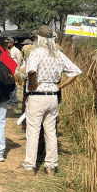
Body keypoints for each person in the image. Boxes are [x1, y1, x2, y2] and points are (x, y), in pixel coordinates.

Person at [17, 25, 81, 176]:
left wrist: (31, 87)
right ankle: (51, 166)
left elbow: (31, 72)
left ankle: (30, 166)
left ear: (39, 38)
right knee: (51, 132)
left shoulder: (36, 53)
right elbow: (75, 72)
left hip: (37, 96)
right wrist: (60, 86)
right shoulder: (59, 55)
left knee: (33, 132)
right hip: (52, 96)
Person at [4, 37, 21, 109]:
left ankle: (14, 102)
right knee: (7, 87)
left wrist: (17, 72)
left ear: (12, 43)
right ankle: (9, 101)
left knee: (13, 87)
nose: (6, 44)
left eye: (7, 42)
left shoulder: (16, 51)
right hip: (7, 71)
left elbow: (19, 61)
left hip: (14, 71)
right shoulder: (6, 51)